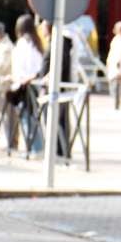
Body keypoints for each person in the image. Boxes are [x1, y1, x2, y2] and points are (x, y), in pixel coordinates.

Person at [38, 18, 74, 158]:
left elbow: (60, 63)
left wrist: (50, 76)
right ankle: (56, 149)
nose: (41, 29)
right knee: (52, 120)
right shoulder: (53, 42)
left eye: (43, 26)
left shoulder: (60, 43)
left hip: (58, 88)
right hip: (52, 87)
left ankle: (61, 150)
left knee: (58, 120)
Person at [9, 14, 44, 155]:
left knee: (27, 117)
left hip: (25, 83)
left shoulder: (24, 43)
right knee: (30, 116)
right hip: (31, 83)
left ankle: (36, 148)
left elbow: (23, 66)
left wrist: (20, 78)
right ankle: (36, 147)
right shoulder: (35, 42)